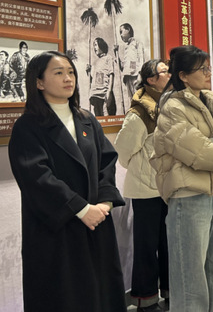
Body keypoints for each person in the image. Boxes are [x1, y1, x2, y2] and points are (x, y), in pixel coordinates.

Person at [8, 51, 126, 312]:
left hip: (96, 222)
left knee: (102, 293)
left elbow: (107, 161)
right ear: (39, 82)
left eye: (71, 72)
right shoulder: (28, 126)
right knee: (66, 296)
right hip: (58, 228)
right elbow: (37, 177)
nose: (68, 78)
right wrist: (81, 209)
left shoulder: (87, 119)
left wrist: (104, 203)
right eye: (59, 73)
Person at [152, 45, 213, 312]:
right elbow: (199, 153)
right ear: (183, 75)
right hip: (189, 196)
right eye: (201, 69)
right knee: (190, 275)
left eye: (208, 67)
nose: (208, 73)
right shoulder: (172, 107)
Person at [115, 59, 171, 312]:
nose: (169, 74)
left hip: (169, 187)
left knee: (169, 244)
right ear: (151, 80)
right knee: (147, 247)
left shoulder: (170, 105)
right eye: (164, 71)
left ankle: (171, 292)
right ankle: (145, 300)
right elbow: (123, 152)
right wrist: (143, 170)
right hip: (145, 189)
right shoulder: (140, 113)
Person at [116, 23, 145, 106]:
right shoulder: (126, 48)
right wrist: (116, 54)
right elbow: (123, 67)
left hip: (135, 75)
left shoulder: (137, 43)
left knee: (138, 97)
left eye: (121, 32)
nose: (120, 35)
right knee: (131, 100)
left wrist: (140, 74)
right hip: (127, 76)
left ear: (128, 30)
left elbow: (141, 58)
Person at [86, 37, 115, 117]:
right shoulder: (95, 63)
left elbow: (111, 74)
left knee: (106, 115)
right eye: (93, 46)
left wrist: (109, 91)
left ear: (101, 45)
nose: (94, 47)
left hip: (104, 93)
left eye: (95, 45)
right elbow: (93, 79)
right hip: (95, 94)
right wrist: (88, 72)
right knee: (98, 117)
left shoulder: (108, 58)